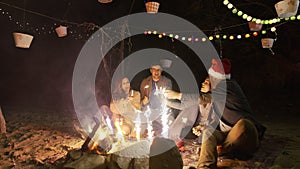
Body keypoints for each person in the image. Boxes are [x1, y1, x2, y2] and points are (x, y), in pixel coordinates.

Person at [166, 58, 266, 169]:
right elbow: (208, 115)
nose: (207, 81)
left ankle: (220, 150)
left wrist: (177, 95)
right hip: (228, 134)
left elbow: (202, 98)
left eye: (211, 78)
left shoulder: (229, 86)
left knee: (244, 124)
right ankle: (205, 166)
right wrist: (203, 128)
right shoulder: (215, 98)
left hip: (247, 133)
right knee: (209, 132)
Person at [140, 64, 173, 136]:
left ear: (161, 71)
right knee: (140, 127)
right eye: (154, 69)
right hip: (149, 110)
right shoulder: (145, 82)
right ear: (151, 70)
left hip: (161, 110)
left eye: (158, 69)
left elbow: (169, 98)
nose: (156, 72)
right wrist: (143, 102)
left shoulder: (166, 82)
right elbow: (141, 102)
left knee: (169, 126)